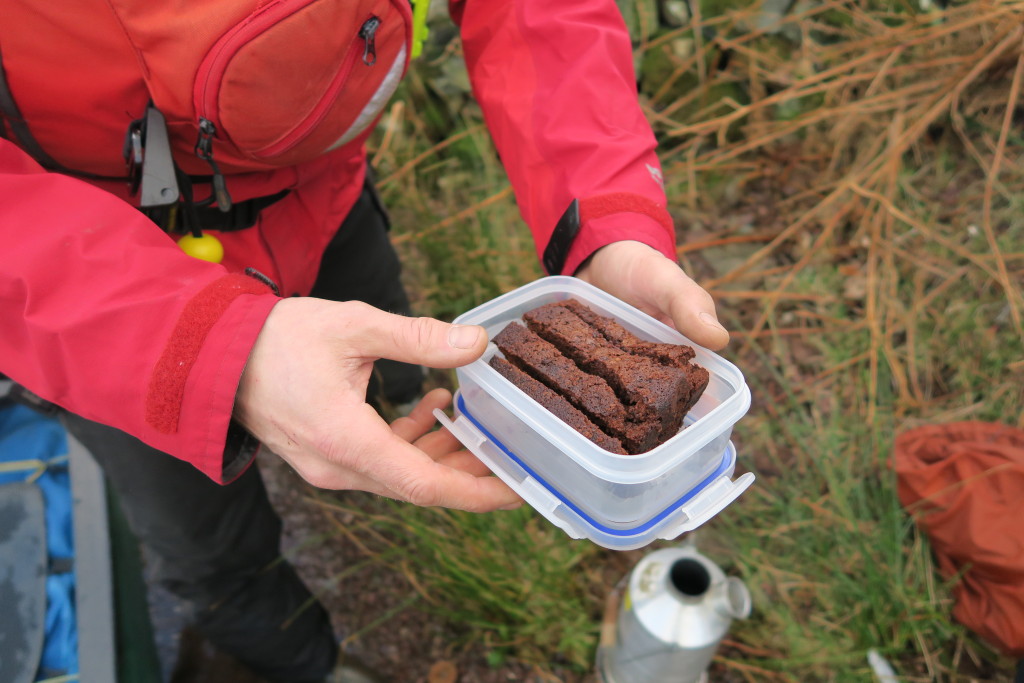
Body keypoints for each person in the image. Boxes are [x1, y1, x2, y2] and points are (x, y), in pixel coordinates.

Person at [0, 1, 731, 681]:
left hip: (324, 201)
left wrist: (607, 218)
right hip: (107, 291)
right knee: (210, 547)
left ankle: (381, 486)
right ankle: (300, 662)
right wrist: (215, 348)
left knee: (405, 389)